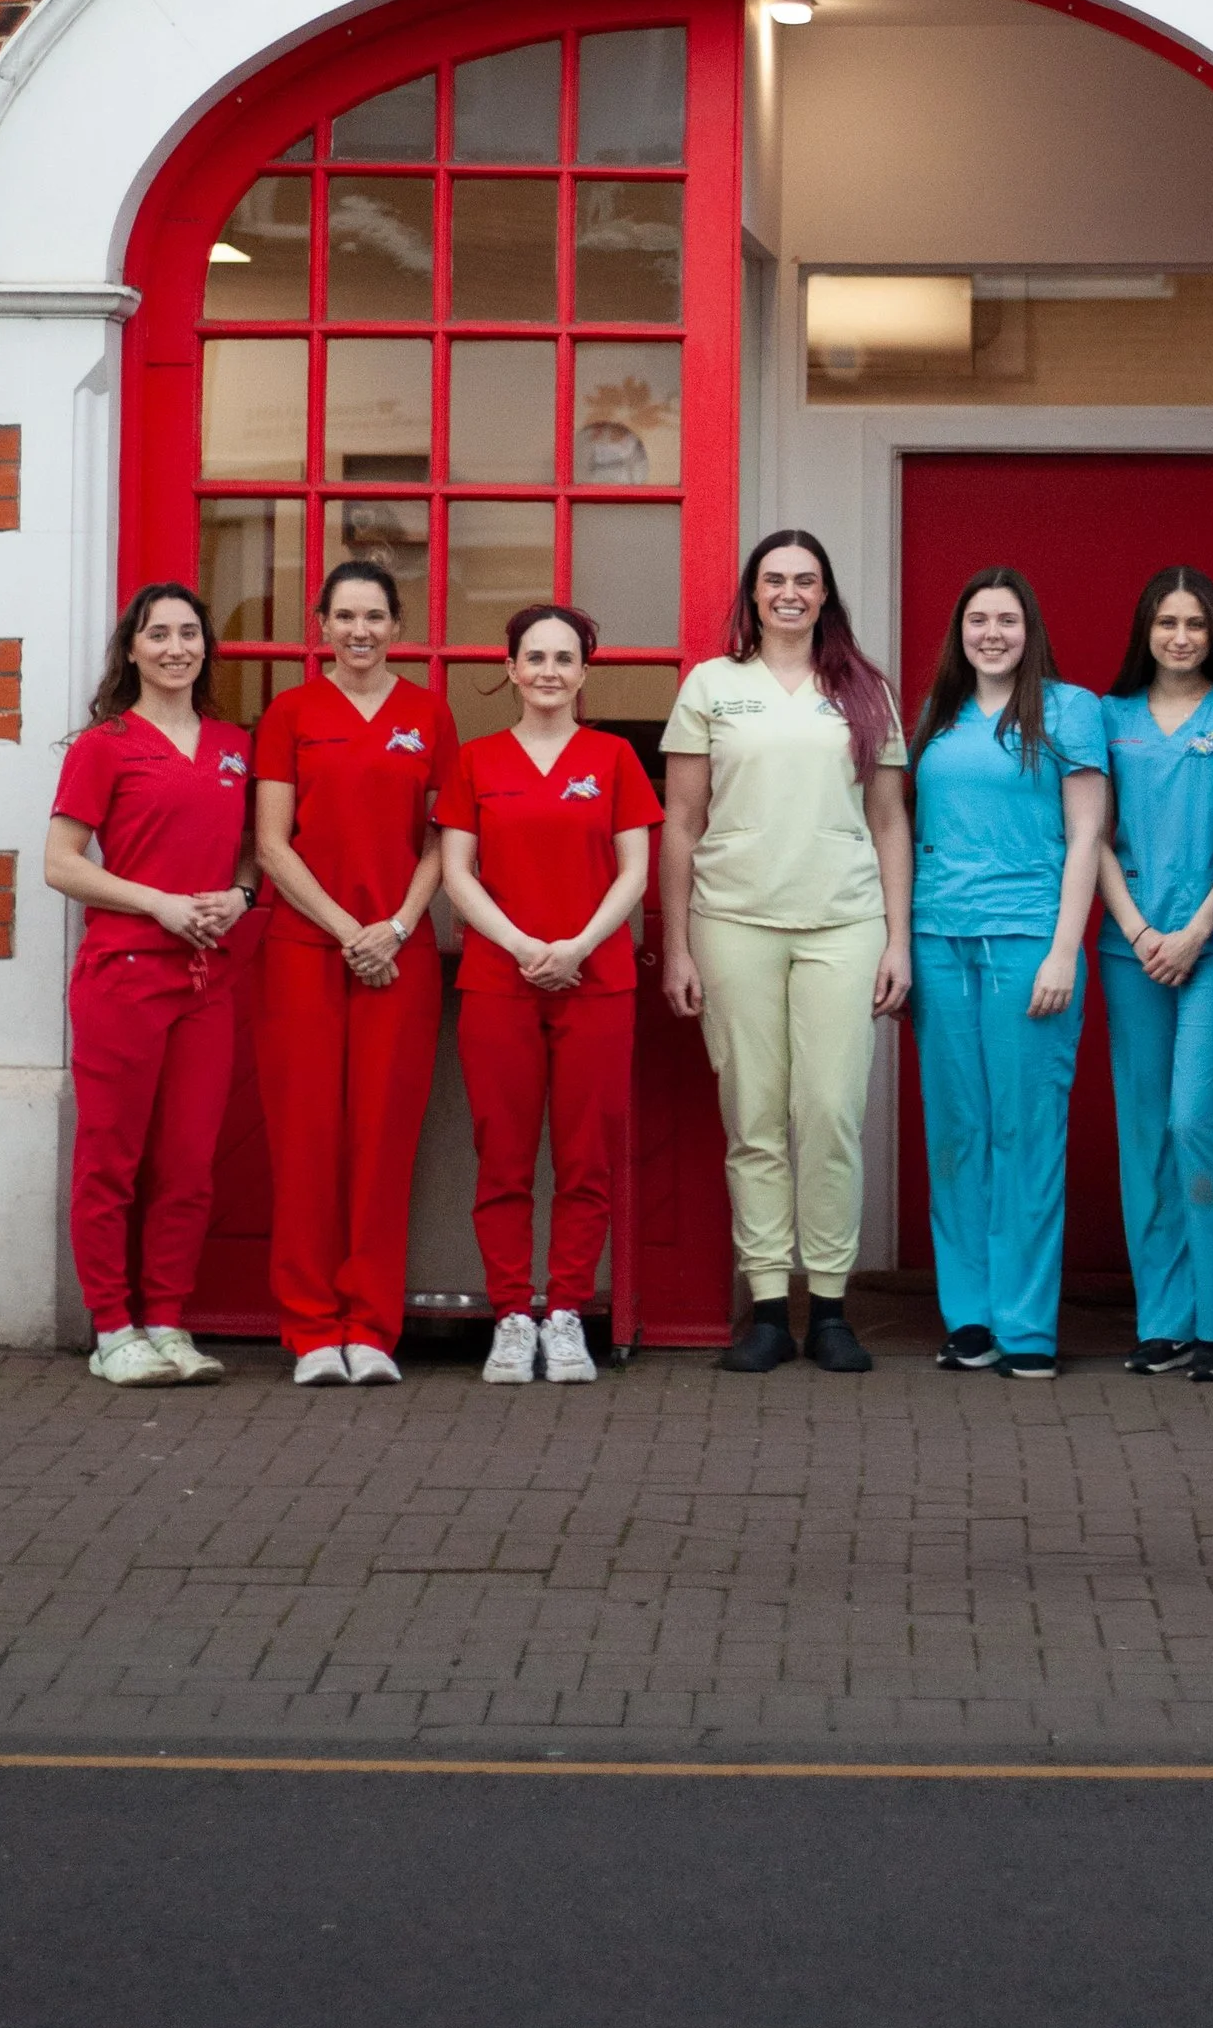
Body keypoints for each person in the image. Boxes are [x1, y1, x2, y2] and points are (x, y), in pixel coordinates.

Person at [660, 530, 913, 1374]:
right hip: (733, 920)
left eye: (806, 580)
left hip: (844, 922)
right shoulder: (710, 685)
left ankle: (831, 1309)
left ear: (825, 593)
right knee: (755, 1118)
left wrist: (898, 940)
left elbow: (889, 822)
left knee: (832, 1113)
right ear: (754, 594)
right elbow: (683, 823)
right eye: (775, 580)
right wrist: (677, 946)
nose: (790, 593)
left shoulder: (865, 689)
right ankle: (770, 1307)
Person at [437, 605, 663, 1385]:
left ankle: (564, 1312)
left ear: (584, 673)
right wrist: (525, 946)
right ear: (509, 667)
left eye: (564, 659)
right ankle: (510, 1314)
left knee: (584, 1158)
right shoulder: (475, 762)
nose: (548, 671)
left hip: (596, 982)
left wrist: (577, 946)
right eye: (534, 656)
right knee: (501, 1157)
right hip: (501, 981)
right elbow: (456, 873)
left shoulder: (614, 760)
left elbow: (636, 870)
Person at [43, 581, 259, 1388]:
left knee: (191, 1162)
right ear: (131, 649)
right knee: (112, 1159)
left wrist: (238, 897)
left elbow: (248, 850)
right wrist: (159, 903)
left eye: (190, 633)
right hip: (124, 975)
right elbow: (60, 864)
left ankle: (167, 1321)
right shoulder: (104, 744)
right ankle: (112, 1328)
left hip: (206, 978)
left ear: (207, 647)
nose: (176, 647)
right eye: (158, 633)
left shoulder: (235, 744)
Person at [252, 561, 456, 1388]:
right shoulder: (290, 712)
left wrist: (399, 927)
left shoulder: (428, 715)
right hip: (307, 954)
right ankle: (308, 1330)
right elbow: (271, 843)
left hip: (398, 957)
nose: (360, 630)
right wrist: (346, 930)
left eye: (375, 616)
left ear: (397, 626)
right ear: (321, 625)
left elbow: (444, 841)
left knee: (382, 1142)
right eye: (345, 616)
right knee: (305, 1142)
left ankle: (370, 1326)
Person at [908, 569, 1109, 1381]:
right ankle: (970, 1318)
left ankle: (1026, 1325)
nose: (991, 632)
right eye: (978, 619)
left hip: (1031, 941)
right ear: (960, 631)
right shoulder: (935, 717)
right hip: (937, 937)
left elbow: (1088, 834)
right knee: (957, 1132)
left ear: (1031, 630)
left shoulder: (1070, 709)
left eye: (1007, 620)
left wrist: (1066, 948)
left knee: (1025, 1133)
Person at [1096, 568, 1213, 1382]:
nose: (1179, 637)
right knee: (1144, 1138)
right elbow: (1087, 834)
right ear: (1144, 629)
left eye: (1195, 624)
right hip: (1132, 950)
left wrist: (1196, 930)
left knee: (1192, 1121)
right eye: (1166, 621)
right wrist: (1138, 930)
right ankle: (1164, 1321)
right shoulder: (1109, 719)